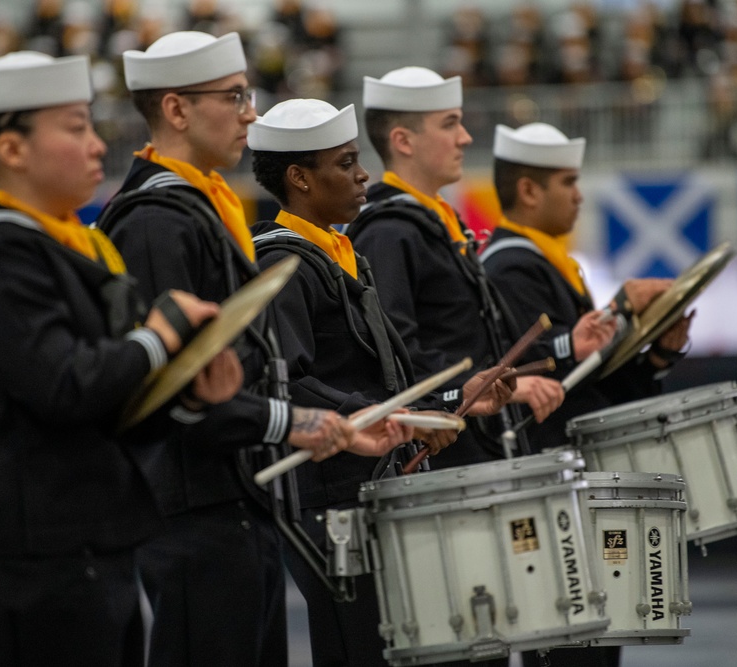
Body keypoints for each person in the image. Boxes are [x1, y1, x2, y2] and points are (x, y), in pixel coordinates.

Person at [98, 32, 406, 666]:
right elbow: (181, 392)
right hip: (195, 508)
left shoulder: (204, 209)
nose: (249, 112)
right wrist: (310, 421)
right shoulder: (157, 219)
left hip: (240, 498)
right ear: (178, 110)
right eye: (235, 95)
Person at [0, 51, 239, 667]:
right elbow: (65, 386)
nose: (99, 146)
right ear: (13, 150)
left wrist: (186, 395)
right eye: (75, 128)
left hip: (92, 544)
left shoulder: (69, 246)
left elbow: (114, 411)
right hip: (33, 556)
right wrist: (160, 336)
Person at [248, 98, 515, 667]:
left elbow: (385, 381)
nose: (362, 173)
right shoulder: (283, 266)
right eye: (345, 163)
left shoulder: (340, 254)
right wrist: (379, 418)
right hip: (327, 504)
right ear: (299, 177)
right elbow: (286, 384)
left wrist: (450, 400)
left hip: (365, 489)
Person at [481, 122, 693, 667]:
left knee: (597, 646)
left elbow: (590, 382)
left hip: (581, 486)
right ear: (529, 190)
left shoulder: (551, 262)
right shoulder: (509, 265)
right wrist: (619, 309)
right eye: (567, 182)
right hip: (551, 490)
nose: (579, 195)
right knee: (570, 649)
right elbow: (528, 369)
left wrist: (658, 355)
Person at [347, 66, 565, 473]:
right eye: (450, 124)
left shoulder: (435, 223)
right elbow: (396, 355)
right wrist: (458, 392)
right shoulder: (389, 233)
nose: (465, 137)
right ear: (403, 141)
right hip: (447, 459)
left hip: (478, 446)